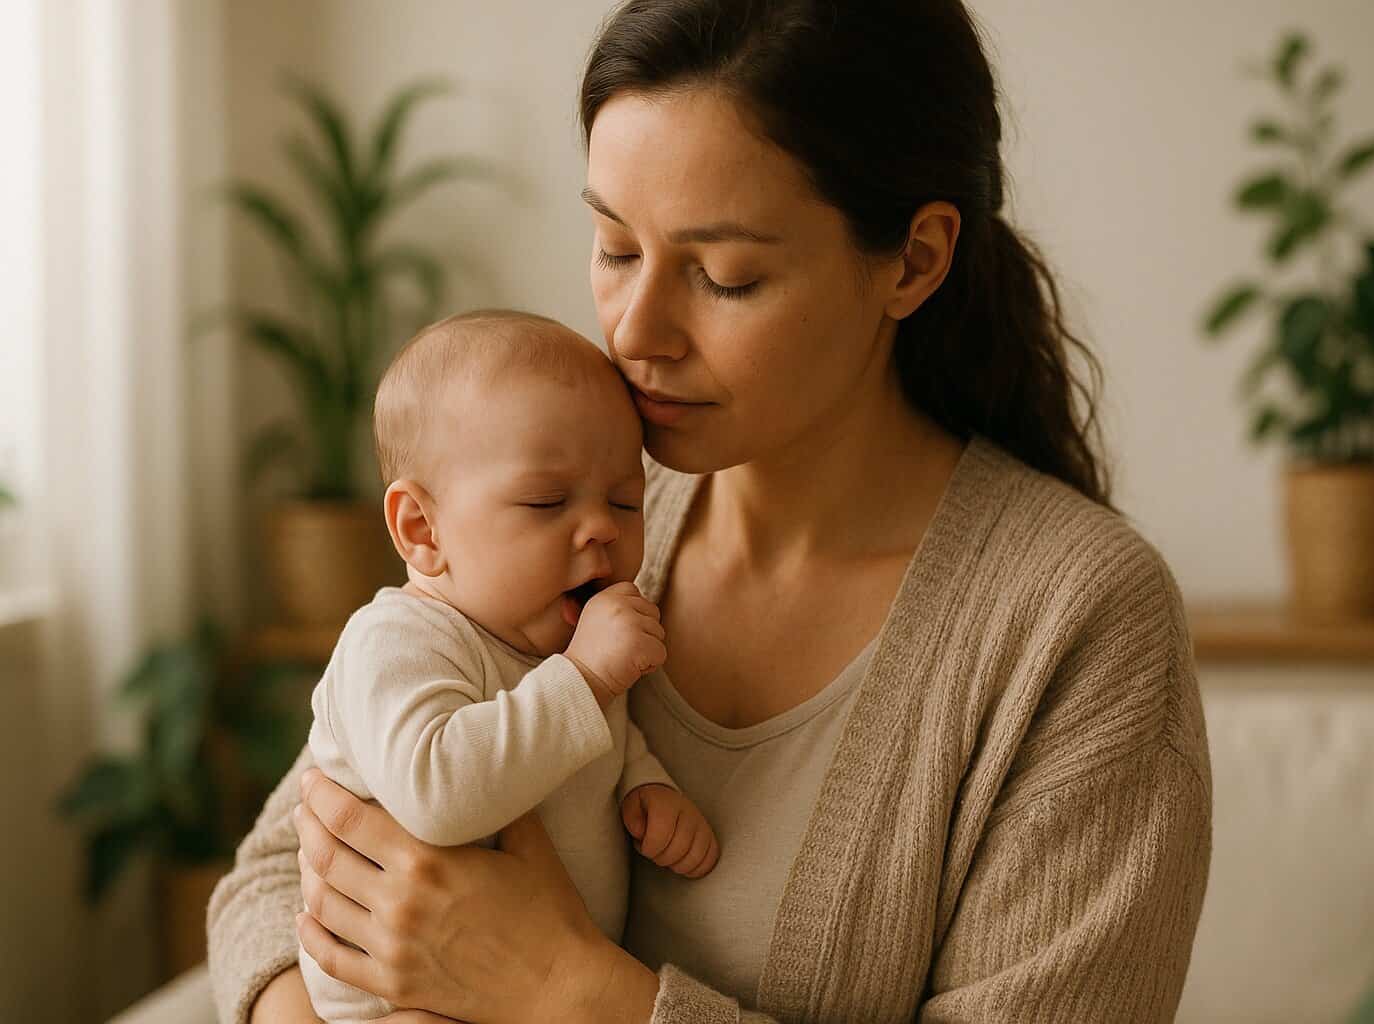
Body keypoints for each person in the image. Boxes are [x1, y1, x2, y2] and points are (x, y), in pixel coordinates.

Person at [207, 1, 1213, 1021]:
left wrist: (563, 987)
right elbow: (273, 878)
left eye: (724, 277)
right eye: (612, 247)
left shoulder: (1077, 623)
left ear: (912, 261)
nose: (636, 331)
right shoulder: (575, 510)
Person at [295, 309, 717, 1022]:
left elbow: (603, 738)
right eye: (546, 501)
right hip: (399, 1001)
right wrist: (587, 678)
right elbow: (438, 793)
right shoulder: (394, 644)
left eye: (624, 500)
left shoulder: (561, 643)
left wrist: (644, 785)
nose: (601, 528)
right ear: (422, 531)